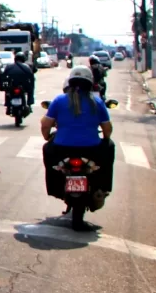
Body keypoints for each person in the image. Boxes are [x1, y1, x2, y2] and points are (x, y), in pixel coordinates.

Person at [40, 66, 115, 211]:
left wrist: (47, 137)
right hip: (92, 150)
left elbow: (45, 125)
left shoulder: (59, 100)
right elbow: (107, 129)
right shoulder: (97, 102)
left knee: (46, 149)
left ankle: (54, 187)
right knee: (110, 146)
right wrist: (105, 139)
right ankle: (103, 186)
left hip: (61, 149)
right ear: (90, 83)